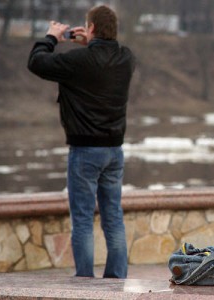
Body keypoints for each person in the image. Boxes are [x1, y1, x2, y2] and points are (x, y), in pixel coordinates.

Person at [27, 5, 135, 278]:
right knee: (113, 219)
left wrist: (52, 36)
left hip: (85, 151)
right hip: (114, 150)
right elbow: (104, 53)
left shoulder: (77, 62)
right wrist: (92, 40)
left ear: (92, 28)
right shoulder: (126, 59)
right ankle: (116, 281)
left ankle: (86, 283)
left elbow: (37, 62)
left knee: (83, 220)